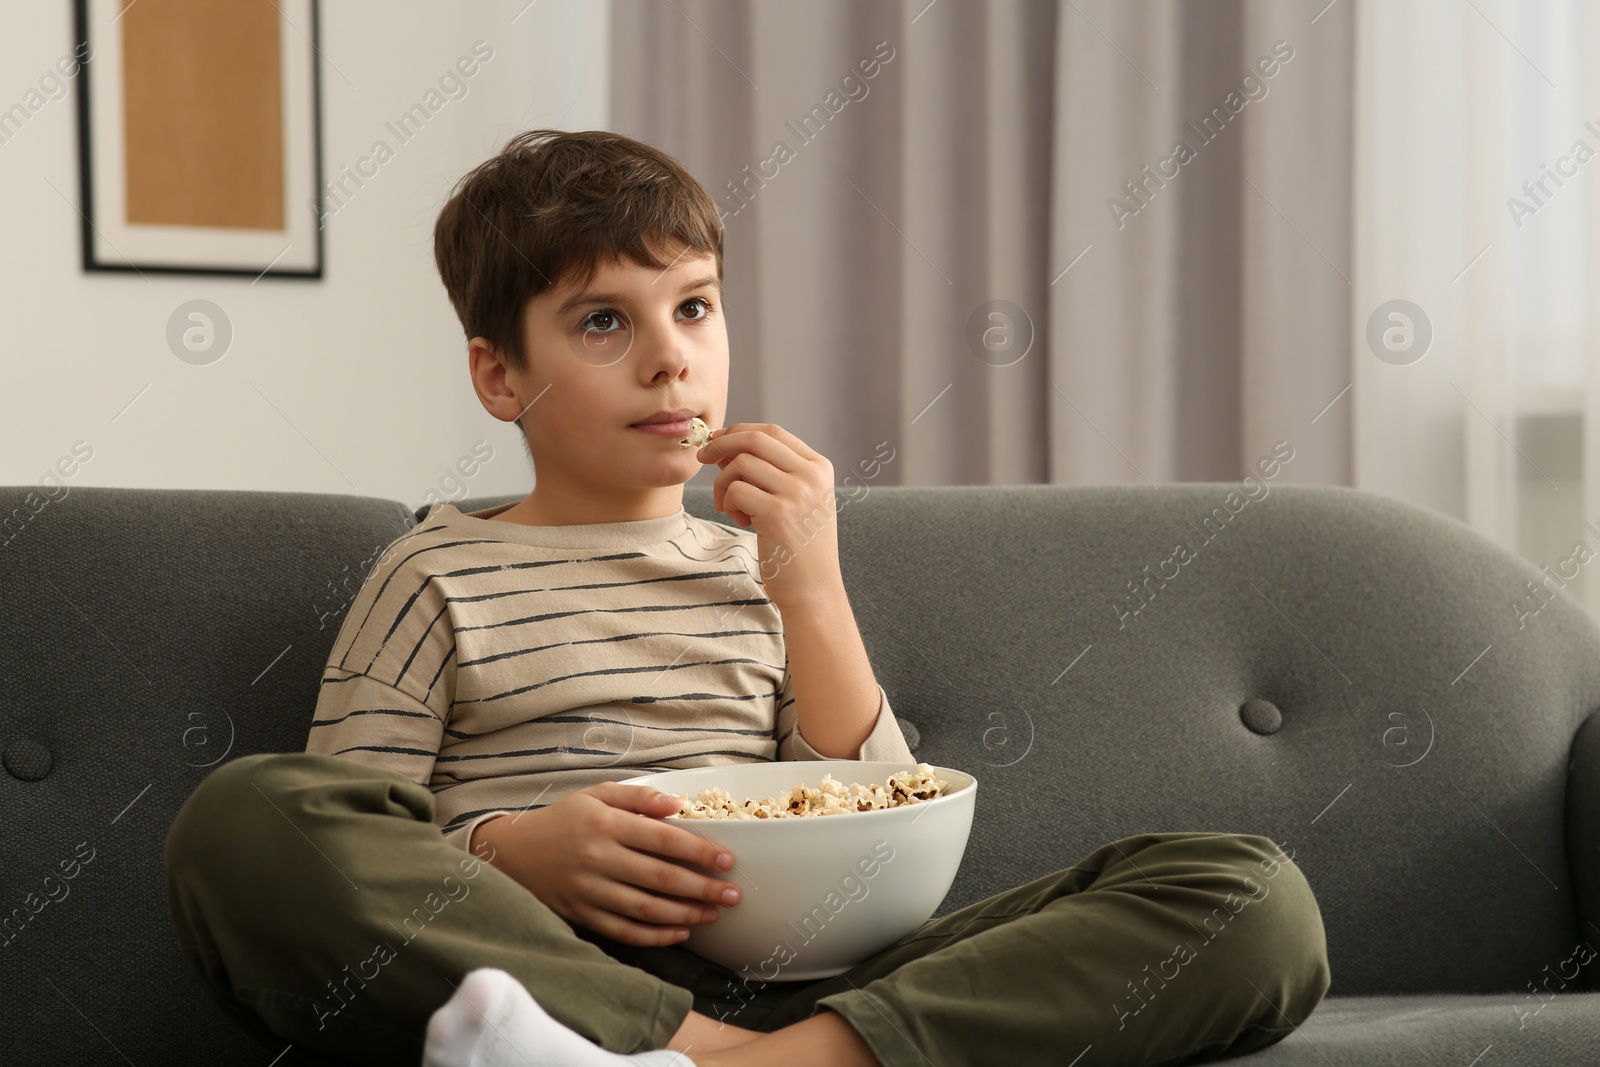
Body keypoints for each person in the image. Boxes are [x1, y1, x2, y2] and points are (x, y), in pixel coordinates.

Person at [163, 129, 1330, 1067]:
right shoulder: (435, 573)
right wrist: (516, 853)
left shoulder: (759, 565)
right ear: (499, 373)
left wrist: (810, 581)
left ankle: (738, 1062)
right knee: (246, 819)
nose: (671, 357)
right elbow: (347, 826)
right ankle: (688, 1047)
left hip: (820, 985)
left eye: (695, 306)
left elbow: (875, 836)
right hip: (539, 970)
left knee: (1250, 897)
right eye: (604, 321)